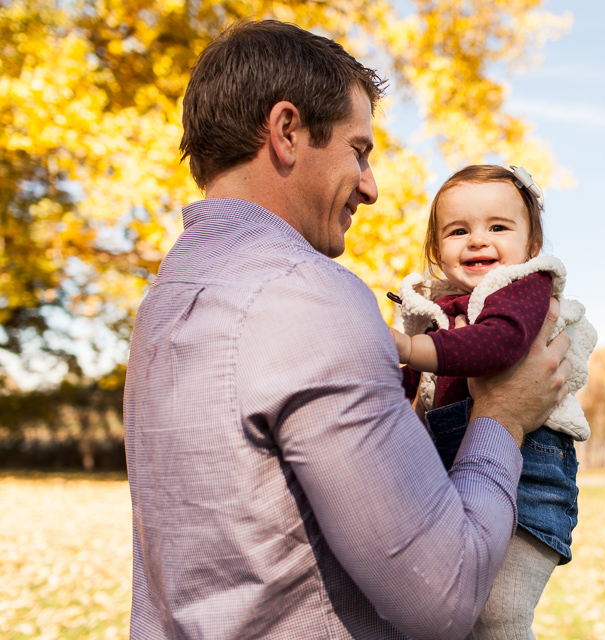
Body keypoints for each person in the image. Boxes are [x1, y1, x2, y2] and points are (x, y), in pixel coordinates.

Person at [123, 20, 572, 640]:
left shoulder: (167, 299)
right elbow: (444, 600)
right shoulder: (310, 297)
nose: (371, 187)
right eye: (358, 151)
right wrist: (502, 416)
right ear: (287, 132)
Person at [389, 165, 596, 639]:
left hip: (530, 471)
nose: (478, 240)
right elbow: (410, 385)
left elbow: (498, 344)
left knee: (499, 614)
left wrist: (409, 349)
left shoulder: (525, 289)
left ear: (532, 245)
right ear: (437, 250)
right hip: (454, 466)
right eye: (458, 230)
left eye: (498, 227)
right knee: (454, 610)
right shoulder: (438, 310)